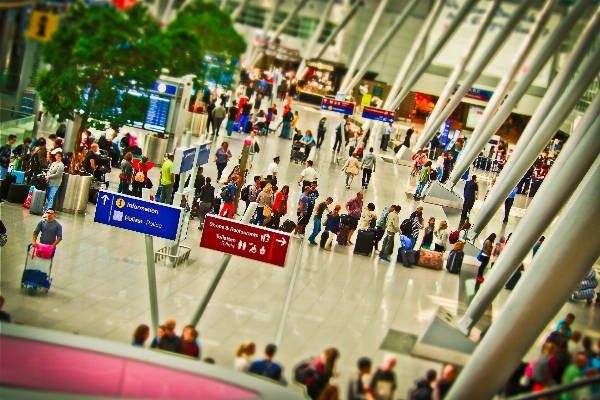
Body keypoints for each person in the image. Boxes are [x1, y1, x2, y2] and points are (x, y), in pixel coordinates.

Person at [0, 134, 16, 202]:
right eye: (14, 140)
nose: (14, 141)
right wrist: (8, 160)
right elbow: (1, 156)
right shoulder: (6, 147)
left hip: (5, 166)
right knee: (0, 180)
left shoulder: (8, 147)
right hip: (3, 165)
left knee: (1, 180)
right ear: (11, 139)